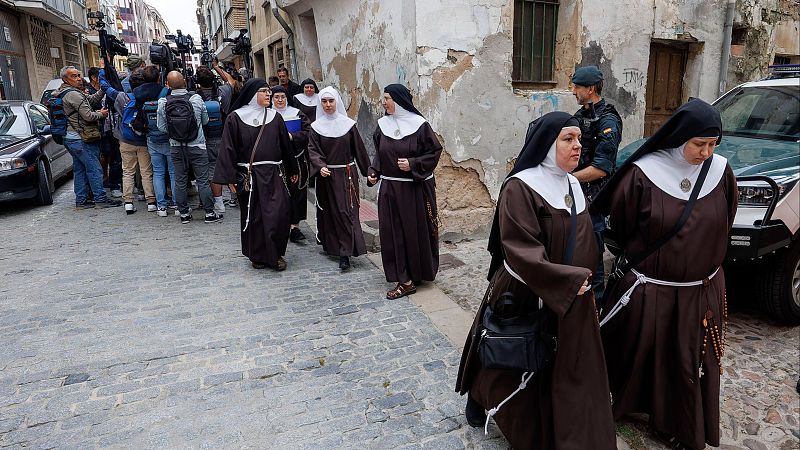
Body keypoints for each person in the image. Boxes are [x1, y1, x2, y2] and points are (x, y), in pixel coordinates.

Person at [455, 111, 616, 450]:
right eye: (567, 140)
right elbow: (520, 250)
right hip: (526, 290)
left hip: (570, 293)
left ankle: (559, 427)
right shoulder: (521, 187)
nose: (577, 147)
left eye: (579, 139)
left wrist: (587, 284)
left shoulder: (573, 183)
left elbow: (586, 240)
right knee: (513, 355)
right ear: (546, 145)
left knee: (555, 363)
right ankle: (483, 397)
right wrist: (567, 281)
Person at [593, 99, 737, 450]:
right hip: (653, 287)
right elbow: (624, 227)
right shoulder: (644, 173)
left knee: (689, 360)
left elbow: (726, 218)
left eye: (712, 145)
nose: (706, 153)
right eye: (698, 144)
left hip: (701, 291)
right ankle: (638, 407)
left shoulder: (720, 171)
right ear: (680, 137)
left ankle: (682, 423)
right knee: (648, 353)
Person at [366, 84, 442, 299]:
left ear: (398, 100)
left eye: (387, 98)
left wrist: (413, 164)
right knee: (393, 233)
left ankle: (414, 273)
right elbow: (379, 154)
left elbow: (434, 152)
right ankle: (404, 280)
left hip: (413, 190)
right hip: (390, 189)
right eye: (384, 98)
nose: (384, 102)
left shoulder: (420, 125)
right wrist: (374, 171)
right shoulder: (382, 125)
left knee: (414, 232)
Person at [214, 79, 298, 270]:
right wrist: (229, 178)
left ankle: (276, 254)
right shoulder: (235, 118)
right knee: (255, 217)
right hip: (248, 176)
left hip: (274, 174)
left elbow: (285, 145)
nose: (269, 95)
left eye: (269, 91)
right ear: (252, 94)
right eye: (264, 91)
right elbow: (228, 149)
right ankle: (258, 255)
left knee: (279, 214)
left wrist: (292, 169)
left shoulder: (275, 117)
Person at [571, 66, 622, 307]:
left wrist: (569, 179)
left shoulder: (608, 120)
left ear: (590, 89)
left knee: (592, 263)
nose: (573, 91)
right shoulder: (579, 116)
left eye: (577, 87)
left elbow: (602, 168)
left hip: (593, 201)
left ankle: (596, 315)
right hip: (574, 197)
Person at [307, 87, 370, 270]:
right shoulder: (316, 127)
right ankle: (332, 246)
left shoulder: (348, 125)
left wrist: (370, 172)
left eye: (331, 101)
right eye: (324, 102)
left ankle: (345, 253)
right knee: (329, 213)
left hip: (346, 175)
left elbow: (359, 150)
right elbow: (312, 150)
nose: (327, 105)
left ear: (337, 102)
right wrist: (320, 166)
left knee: (346, 212)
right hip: (326, 178)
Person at [156, 71, 222, 224]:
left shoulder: (163, 102)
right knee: (203, 180)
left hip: (176, 146)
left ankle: (184, 214)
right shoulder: (196, 99)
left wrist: (175, 133)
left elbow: (161, 127)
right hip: (197, 145)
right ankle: (209, 213)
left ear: (167, 84)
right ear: (185, 82)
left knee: (179, 180)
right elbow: (205, 121)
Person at [52, 66, 121, 209]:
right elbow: (88, 116)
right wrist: (101, 114)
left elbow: (91, 99)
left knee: (80, 169)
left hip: (71, 137)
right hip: (80, 137)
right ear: (65, 79)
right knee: (94, 168)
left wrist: (103, 89)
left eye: (79, 75)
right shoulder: (73, 94)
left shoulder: (69, 92)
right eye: (74, 76)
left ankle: (81, 200)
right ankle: (100, 199)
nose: (79, 79)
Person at [100, 67, 156, 215]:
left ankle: (129, 203)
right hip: (143, 139)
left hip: (126, 139)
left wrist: (103, 70)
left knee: (128, 172)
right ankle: (151, 201)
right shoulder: (148, 96)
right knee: (146, 172)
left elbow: (106, 88)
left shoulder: (121, 97)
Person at [271, 85, 312, 243]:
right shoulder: (268, 115)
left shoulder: (297, 114)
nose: (280, 100)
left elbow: (308, 132)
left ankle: (295, 227)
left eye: (283, 97)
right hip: (277, 162)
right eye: (276, 97)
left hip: (297, 159)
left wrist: (292, 136)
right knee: (280, 194)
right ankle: (281, 225)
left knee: (297, 193)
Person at [195, 66, 227, 214]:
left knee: (202, 173)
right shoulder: (222, 92)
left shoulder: (194, 97)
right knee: (216, 170)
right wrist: (216, 66)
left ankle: (205, 201)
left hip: (201, 139)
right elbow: (231, 82)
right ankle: (220, 201)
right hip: (220, 136)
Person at [87, 66, 123, 199]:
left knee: (114, 156)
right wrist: (99, 113)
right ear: (94, 78)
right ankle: (102, 182)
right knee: (102, 156)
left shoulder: (109, 89)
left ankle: (114, 184)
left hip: (111, 128)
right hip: (97, 129)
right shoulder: (87, 92)